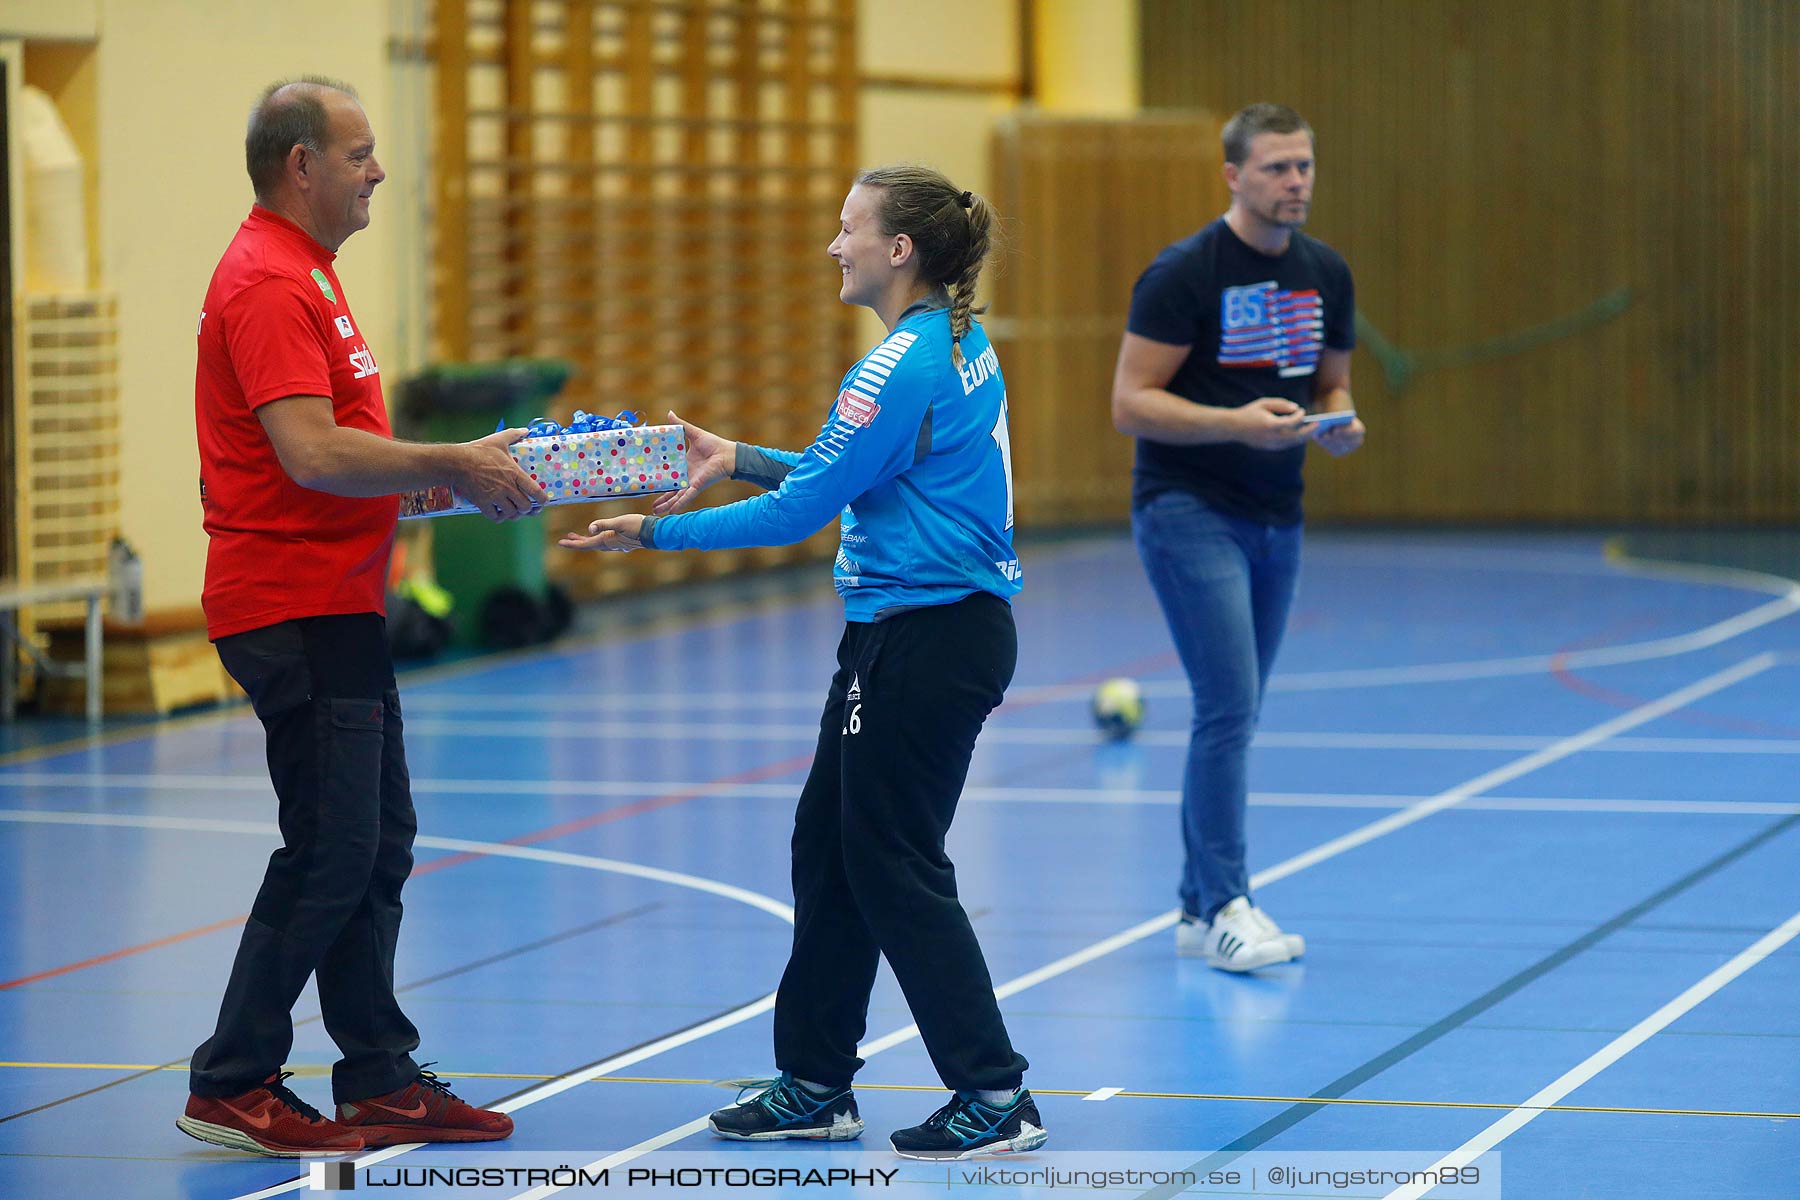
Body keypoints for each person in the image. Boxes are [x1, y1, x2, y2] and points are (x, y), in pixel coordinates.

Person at [560, 165, 1045, 1161]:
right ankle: (817, 1080)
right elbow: (849, 472)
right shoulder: (948, 340)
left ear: (897, 250)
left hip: (926, 636)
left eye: (848, 227)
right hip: (920, 631)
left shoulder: (896, 363)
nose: (835, 245)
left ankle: (994, 1093)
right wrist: (733, 453)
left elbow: (805, 508)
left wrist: (650, 540)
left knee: (892, 861)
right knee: (830, 849)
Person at [179, 77, 544, 1157]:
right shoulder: (266, 282)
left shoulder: (311, 275)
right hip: (290, 605)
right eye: (359, 153)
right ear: (302, 166)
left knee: (376, 840)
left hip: (339, 600)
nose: (376, 170)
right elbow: (311, 453)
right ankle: (233, 1080)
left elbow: (340, 461)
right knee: (333, 847)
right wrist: (450, 460)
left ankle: (378, 1074)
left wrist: (454, 481)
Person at [1110, 103, 1365, 971]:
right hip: (1187, 508)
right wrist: (1234, 424)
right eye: (1277, 168)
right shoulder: (1183, 273)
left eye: (1304, 166)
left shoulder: (1326, 271)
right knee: (1226, 707)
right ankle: (1225, 904)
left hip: (1277, 515)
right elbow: (1130, 401)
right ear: (1234, 176)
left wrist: (1339, 421)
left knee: (1238, 709)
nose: (1295, 182)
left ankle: (1193, 908)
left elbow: (1333, 383)